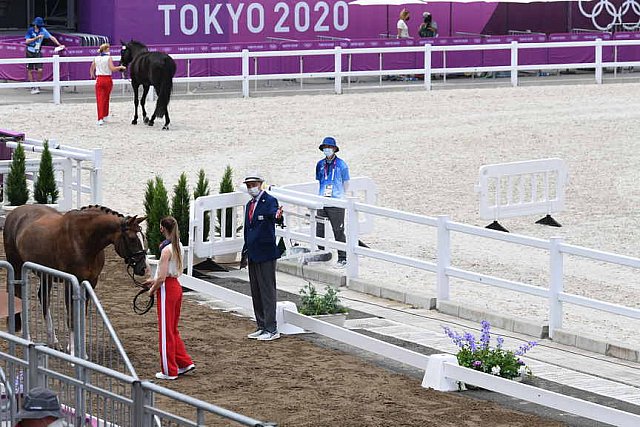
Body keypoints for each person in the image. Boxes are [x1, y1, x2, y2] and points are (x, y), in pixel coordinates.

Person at [144, 216, 195, 380]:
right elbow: (169, 273)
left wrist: (152, 289)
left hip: (167, 290)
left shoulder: (166, 250)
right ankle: (184, 362)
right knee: (172, 329)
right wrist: (154, 281)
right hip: (176, 287)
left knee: (165, 331)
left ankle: (169, 370)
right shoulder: (178, 245)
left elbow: (162, 278)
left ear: (162, 229)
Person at [241, 173, 283, 341]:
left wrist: (278, 216)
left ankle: (271, 328)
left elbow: (274, 215)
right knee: (256, 290)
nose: (251, 187)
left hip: (265, 252)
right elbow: (248, 229)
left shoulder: (269, 201)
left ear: (260, 184)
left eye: (254, 184)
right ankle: (261, 325)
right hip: (252, 252)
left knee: (267, 290)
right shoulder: (249, 204)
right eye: (249, 185)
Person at [315, 137, 350, 268]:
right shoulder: (320, 164)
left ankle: (343, 257)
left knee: (338, 230)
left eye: (329, 147)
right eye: (325, 148)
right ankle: (323, 253)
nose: (327, 150)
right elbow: (319, 180)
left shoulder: (341, 164)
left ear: (335, 149)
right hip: (323, 201)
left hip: (336, 202)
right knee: (320, 229)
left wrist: (338, 194)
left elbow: (346, 183)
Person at [24, 17, 65, 95]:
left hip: (38, 52)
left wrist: (59, 44)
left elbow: (51, 37)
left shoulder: (43, 30)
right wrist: (36, 38)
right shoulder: (30, 30)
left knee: (40, 70)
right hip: (29, 51)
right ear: (35, 24)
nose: (39, 27)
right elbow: (26, 41)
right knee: (30, 69)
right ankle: (32, 86)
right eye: (38, 25)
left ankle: (38, 85)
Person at [89, 43, 126, 126]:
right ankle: (105, 115)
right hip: (107, 79)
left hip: (99, 79)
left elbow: (92, 67)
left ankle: (100, 118)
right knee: (106, 98)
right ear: (105, 49)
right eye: (108, 49)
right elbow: (112, 69)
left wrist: (92, 74)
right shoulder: (108, 58)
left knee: (100, 99)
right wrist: (120, 67)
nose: (109, 50)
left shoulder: (96, 58)